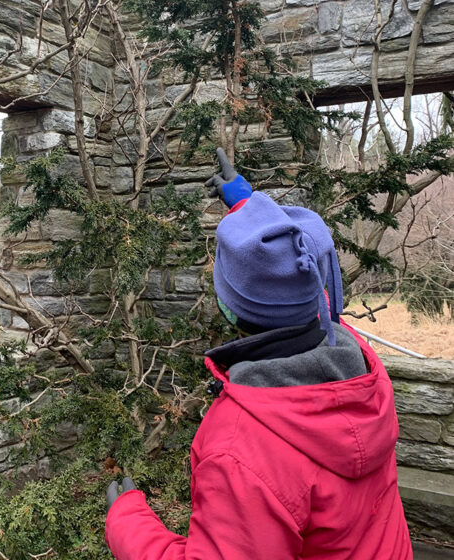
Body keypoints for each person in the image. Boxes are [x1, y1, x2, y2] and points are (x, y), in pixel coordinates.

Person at [105, 149, 412, 560]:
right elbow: (304, 275)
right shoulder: (357, 363)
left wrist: (128, 525)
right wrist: (247, 208)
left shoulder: (240, 445)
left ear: (228, 307)